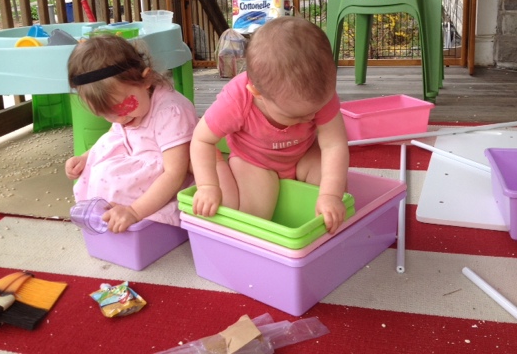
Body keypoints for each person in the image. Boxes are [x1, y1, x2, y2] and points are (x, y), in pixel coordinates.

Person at [190, 17, 350, 234]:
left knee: (336, 193)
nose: (311, 117)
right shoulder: (236, 100)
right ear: (258, 93)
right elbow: (202, 140)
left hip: (303, 154)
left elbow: (334, 144)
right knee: (253, 219)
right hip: (254, 160)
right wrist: (207, 186)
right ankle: (222, 167)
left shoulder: (318, 94)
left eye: (316, 109)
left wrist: (330, 195)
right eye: (296, 115)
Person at [65, 35, 198, 233]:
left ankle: (125, 215)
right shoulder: (126, 112)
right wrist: (86, 158)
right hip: (138, 163)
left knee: (111, 177)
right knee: (98, 169)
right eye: (105, 114)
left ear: (146, 79)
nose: (119, 120)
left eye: (123, 107)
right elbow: (114, 136)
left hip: (165, 184)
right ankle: (107, 216)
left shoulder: (170, 112)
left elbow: (174, 173)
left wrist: (134, 211)